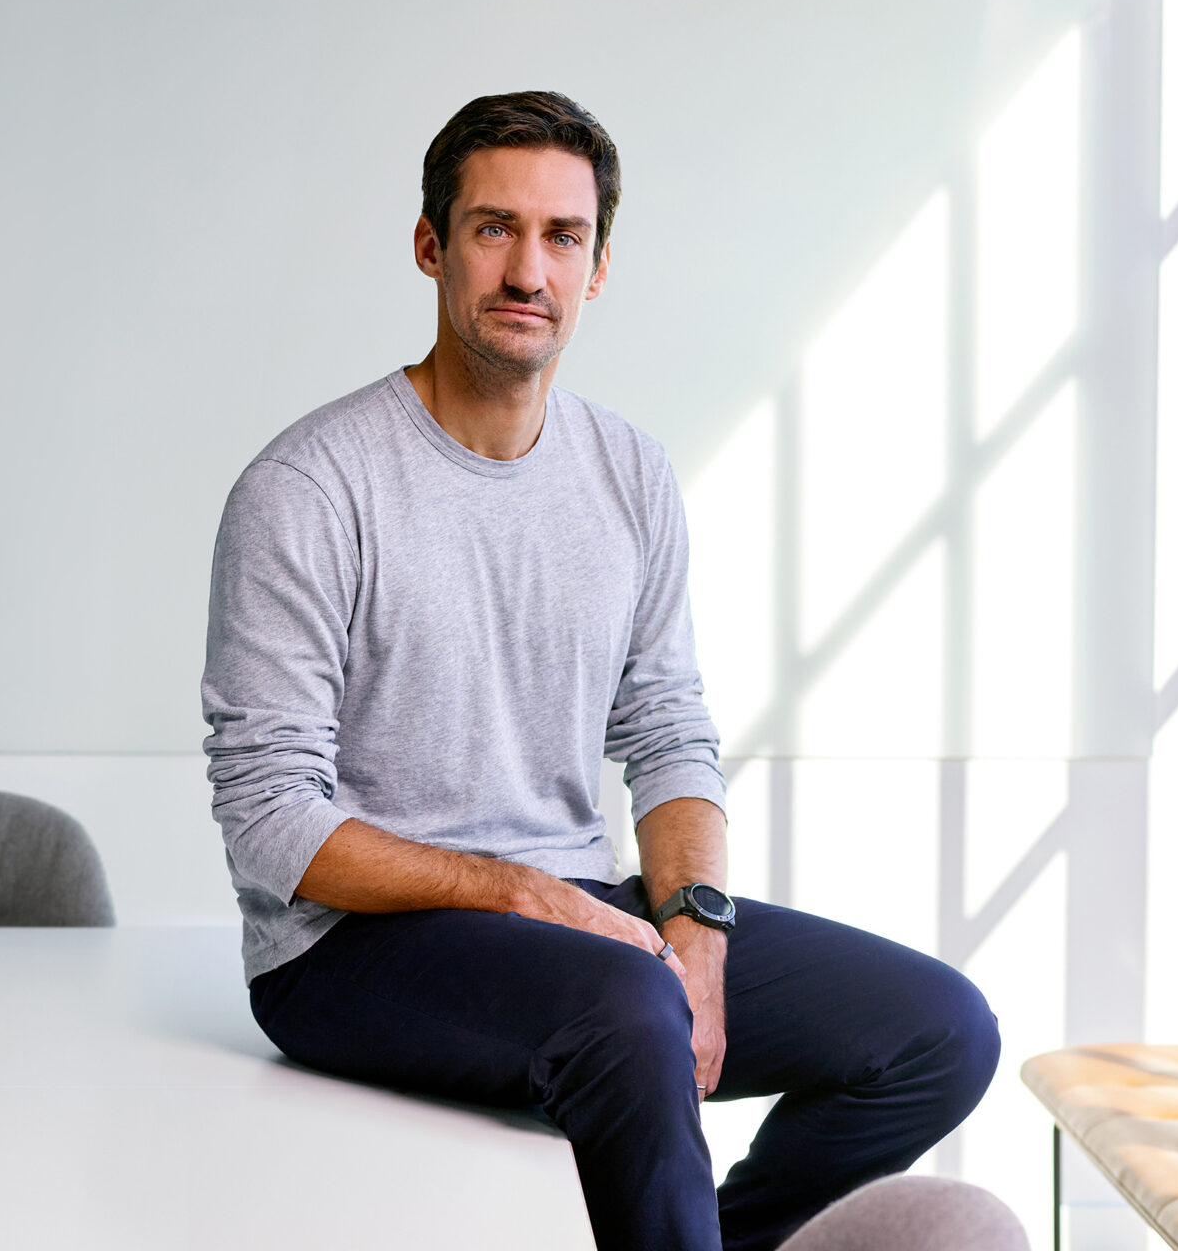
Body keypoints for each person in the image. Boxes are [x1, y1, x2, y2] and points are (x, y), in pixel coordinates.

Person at [200, 90, 1000, 1251]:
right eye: (493, 229)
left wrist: (698, 933)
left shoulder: (627, 471)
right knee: (627, 1000)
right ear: (432, 246)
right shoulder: (311, 487)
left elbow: (669, 729)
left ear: (597, 266)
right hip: (345, 948)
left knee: (939, 1028)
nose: (529, 268)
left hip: (587, 918)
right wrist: (525, 892)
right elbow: (269, 820)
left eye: (561, 236)